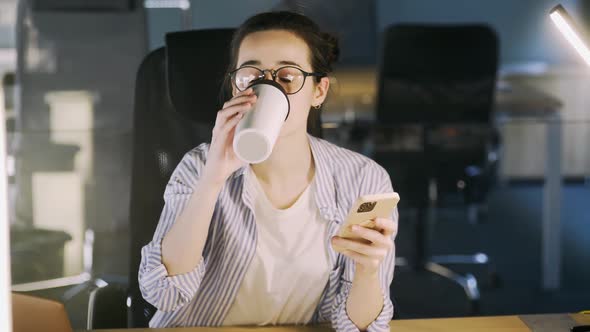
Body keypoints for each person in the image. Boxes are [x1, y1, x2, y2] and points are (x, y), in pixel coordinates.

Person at [138, 11, 398, 331]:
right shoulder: (199, 167)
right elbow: (162, 293)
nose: (267, 87)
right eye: (251, 77)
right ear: (235, 88)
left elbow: (358, 327)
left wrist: (368, 272)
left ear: (319, 91)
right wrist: (213, 178)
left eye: (286, 78)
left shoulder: (363, 179)